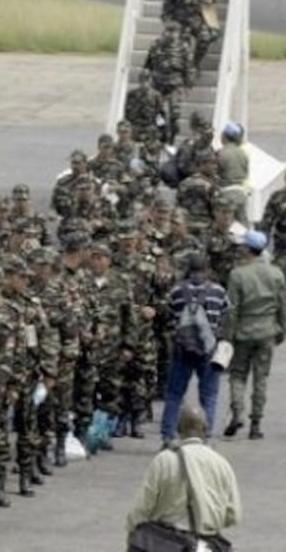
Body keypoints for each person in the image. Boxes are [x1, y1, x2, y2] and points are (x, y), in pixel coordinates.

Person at [127, 406, 240, 550]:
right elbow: (233, 515)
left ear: (178, 429)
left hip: (167, 543)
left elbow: (142, 508)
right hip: (206, 544)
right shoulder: (221, 465)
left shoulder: (164, 460)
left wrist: (133, 533)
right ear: (205, 430)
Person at [222, 230, 286, 440]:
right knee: (261, 377)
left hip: (243, 331)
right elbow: (282, 305)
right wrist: (282, 329)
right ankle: (256, 423)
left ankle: (237, 411)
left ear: (247, 249)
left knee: (238, 374)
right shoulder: (276, 273)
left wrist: (227, 336)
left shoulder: (237, 274)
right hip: (267, 330)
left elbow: (232, 309)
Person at [162, 254, 228, 444]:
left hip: (182, 349)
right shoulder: (218, 291)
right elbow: (225, 317)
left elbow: (169, 316)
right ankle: (204, 437)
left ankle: (168, 435)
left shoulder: (176, 291)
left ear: (188, 270)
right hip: (208, 350)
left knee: (174, 394)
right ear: (207, 270)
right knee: (209, 394)